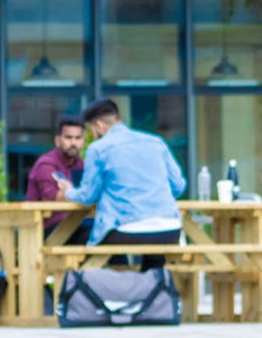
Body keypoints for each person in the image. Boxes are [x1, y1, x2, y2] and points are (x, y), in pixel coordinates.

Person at [53, 99, 186, 270]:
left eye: (91, 131)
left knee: (89, 244)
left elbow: (87, 196)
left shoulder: (98, 149)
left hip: (127, 231)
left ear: (99, 125)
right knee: (154, 252)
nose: (92, 136)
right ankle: (152, 292)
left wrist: (69, 192)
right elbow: (179, 186)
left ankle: (107, 292)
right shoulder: (156, 142)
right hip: (170, 229)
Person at [25, 115, 91, 244]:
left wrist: (71, 192)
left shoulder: (81, 164)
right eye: (68, 137)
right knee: (94, 234)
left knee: (105, 233)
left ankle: (126, 266)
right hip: (46, 230)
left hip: (74, 224)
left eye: (78, 138)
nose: (73, 143)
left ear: (83, 141)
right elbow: (55, 197)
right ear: (57, 140)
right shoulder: (46, 164)